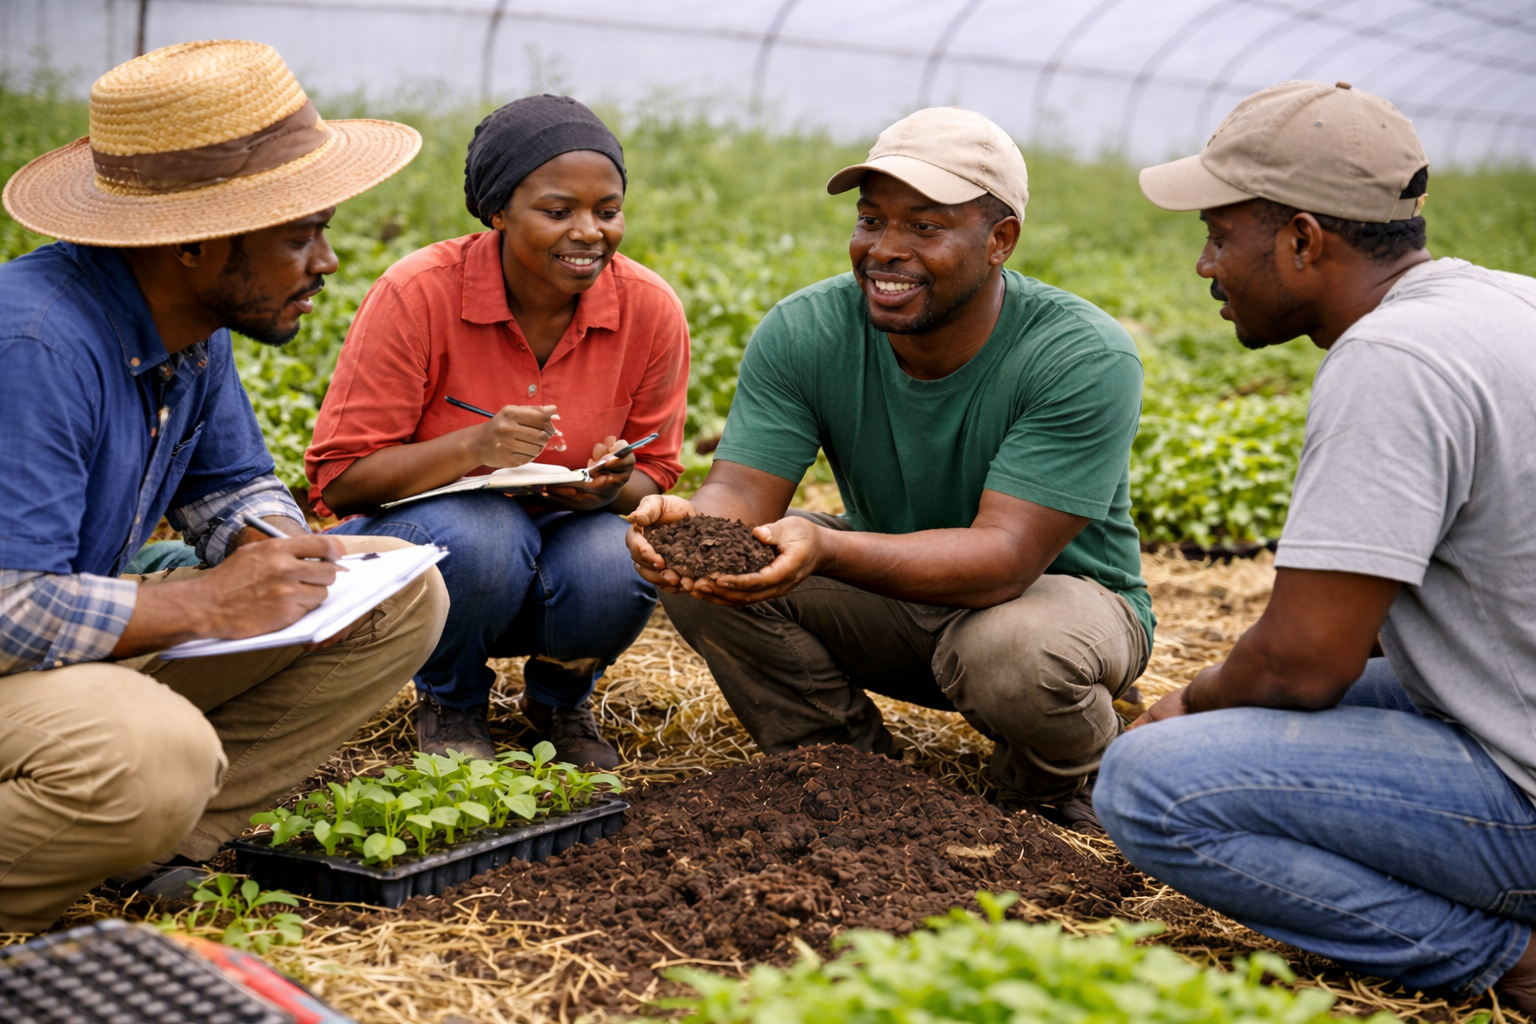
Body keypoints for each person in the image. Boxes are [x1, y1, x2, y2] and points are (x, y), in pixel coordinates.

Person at [1094, 80, 1536, 1008]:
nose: (1206, 265)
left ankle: (1508, 960)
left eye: (1220, 235)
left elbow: (1305, 666)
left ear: (1302, 239)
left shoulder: (1391, 360)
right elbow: (1372, 627)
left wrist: (1193, 704)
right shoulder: (1508, 304)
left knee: (1147, 784)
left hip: (1523, 790)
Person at [0, 40, 449, 931]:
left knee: (398, 592)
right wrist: (207, 603)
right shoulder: (36, 347)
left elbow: (231, 482)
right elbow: (11, 609)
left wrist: (270, 547)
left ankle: (152, 843)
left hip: (53, 646)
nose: (325, 261)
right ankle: (94, 829)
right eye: (299, 235)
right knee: (148, 753)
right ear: (195, 243)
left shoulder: (194, 323)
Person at [626, 107, 1154, 830]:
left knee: (1012, 653)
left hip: (1050, 602)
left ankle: (1055, 783)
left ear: (1000, 240)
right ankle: (849, 774)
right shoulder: (807, 329)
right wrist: (692, 526)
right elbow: (742, 492)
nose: (885, 250)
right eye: (872, 221)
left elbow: (1005, 561)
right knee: (708, 575)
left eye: (925, 227)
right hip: (897, 594)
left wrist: (831, 547)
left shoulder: (1079, 353)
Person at [306, 95, 689, 767]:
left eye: (607, 211)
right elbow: (342, 480)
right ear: (498, 212)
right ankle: (451, 701)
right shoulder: (420, 292)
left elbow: (657, 472)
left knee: (617, 556)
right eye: (557, 210)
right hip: (438, 553)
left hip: (562, 549)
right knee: (487, 532)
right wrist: (471, 452)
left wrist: (610, 488)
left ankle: (559, 699)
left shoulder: (649, 311)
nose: (589, 232)